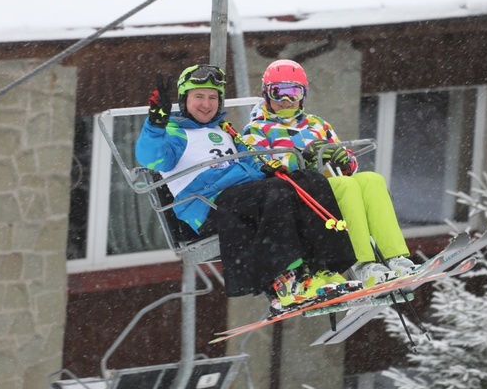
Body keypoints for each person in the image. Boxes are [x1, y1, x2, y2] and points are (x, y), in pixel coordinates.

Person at [135, 64, 359, 309]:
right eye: (198, 96)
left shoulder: (225, 131)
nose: (206, 104)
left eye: (212, 97)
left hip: (247, 196)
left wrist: (272, 167)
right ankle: (284, 278)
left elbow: (253, 160)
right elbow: (152, 158)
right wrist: (155, 125)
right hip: (211, 204)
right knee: (276, 192)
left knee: (308, 181)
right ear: (184, 99)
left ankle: (327, 266)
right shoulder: (174, 134)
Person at [242, 59, 417, 288]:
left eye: (294, 92)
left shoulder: (317, 124)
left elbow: (347, 160)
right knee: (346, 186)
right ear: (267, 93)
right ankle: (363, 264)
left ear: (303, 95)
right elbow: (261, 165)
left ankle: (395, 257)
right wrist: (302, 158)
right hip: (301, 193)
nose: (286, 100)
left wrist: (345, 160)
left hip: (332, 182)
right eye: (278, 92)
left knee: (372, 179)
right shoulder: (256, 129)